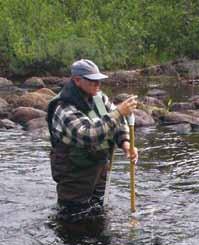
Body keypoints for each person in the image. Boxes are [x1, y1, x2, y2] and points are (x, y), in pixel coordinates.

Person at [47, 59, 138, 222]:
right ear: (77, 80)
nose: (98, 85)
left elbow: (117, 124)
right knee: (73, 219)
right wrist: (118, 113)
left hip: (98, 168)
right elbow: (88, 135)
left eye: (99, 80)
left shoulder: (100, 98)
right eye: (93, 81)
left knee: (97, 215)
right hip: (73, 174)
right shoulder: (64, 107)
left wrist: (125, 143)